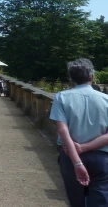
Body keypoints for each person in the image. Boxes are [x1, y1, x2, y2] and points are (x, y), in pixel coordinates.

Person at [49, 58, 108, 207]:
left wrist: (77, 162)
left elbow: (62, 130)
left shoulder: (62, 97)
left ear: (72, 78)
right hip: (101, 158)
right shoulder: (106, 99)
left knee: (76, 201)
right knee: (101, 201)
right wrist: (86, 147)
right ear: (92, 76)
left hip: (70, 158)